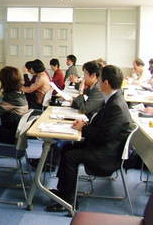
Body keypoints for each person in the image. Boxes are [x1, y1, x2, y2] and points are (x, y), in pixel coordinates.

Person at [46, 65, 133, 213]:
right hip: (105, 146)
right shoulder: (113, 99)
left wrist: (83, 128)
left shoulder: (116, 105)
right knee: (67, 148)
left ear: (105, 83)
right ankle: (63, 190)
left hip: (107, 155)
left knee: (70, 156)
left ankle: (68, 201)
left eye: (99, 80)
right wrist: (85, 125)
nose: (97, 83)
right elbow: (103, 128)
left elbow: (104, 136)